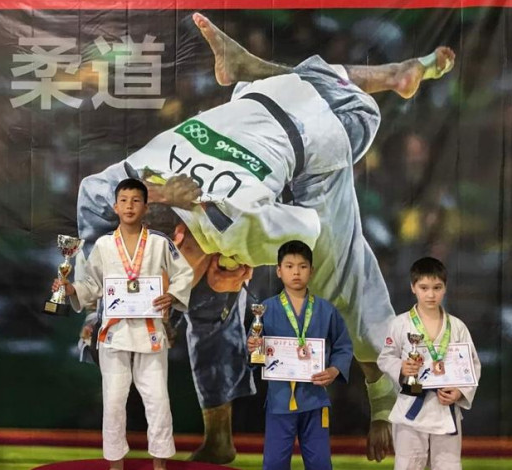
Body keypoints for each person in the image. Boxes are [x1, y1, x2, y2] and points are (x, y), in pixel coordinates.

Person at [75, 12, 456, 462]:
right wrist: (163, 204)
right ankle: (268, 69)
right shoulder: (134, 185)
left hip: (328, 133)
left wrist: (239, 257)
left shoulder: (237, 225)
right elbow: (93, 193)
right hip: (255, 98)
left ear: (175, 237)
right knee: (311, 81)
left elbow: (311, 232)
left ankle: (382, 398)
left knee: (339, 274)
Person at [54, 178, 193, 470]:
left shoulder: (159, 243)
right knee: (114, 401)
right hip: (114, 333)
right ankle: (115, 464)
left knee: (158, 400)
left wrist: (172, 295)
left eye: (136, 201)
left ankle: (159, 463)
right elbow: (92, 285)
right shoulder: (104, 245)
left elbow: (184, 274)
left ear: (145, 207)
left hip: (150, 331)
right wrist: (71, 289)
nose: (129, 206)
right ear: (115, 207)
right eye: (124, 201)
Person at [245, 240, 352, 470]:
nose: (296, 272)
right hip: (280, 400)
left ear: (311, 271)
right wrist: (254, 348)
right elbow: (256, 354)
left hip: (315, 399)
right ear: (279, 271)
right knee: (274, 464)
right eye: (289, 266)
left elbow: (343, 345)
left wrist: (334, 370)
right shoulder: (265, 309)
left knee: (320, 464)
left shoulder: (326, 310)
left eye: (302, 266)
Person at [377, 257, 481, 470]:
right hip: (411, 406)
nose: (431, 294)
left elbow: (472, 365)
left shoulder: (457, 327)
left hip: (445, 408)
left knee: (448, 465)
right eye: (424, 288)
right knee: (408, 464)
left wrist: (460, 391)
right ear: (413, 287)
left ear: (445, 288)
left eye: (437, 288)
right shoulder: (400, 323)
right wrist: (402, 368)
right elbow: (385, 358)